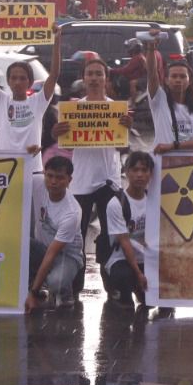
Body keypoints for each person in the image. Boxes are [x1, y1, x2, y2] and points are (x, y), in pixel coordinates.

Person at [52, 52, 133, 294]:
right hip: (81, 181)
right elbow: (65, 144)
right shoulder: (73, 108)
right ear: (83, 78)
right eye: (91, 74)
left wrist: (127, 129)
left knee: (111, 235)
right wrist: (57, 132)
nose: (95, 78)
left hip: (109, 180)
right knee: (76, 235)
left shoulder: (117, 110)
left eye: (99, 74)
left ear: (106, 79)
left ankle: (113, 285)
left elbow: (123, 147)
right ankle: (74, 286)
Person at [0, 40, 58, 214]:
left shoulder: (38, 102)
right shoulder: (1, 101)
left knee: (31, 223)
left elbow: (53, 75)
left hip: (33, 172)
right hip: (5, 171)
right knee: (5, 218)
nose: (17, 82)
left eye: (22, 78)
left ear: (30, 82)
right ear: (8, 81)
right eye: (14, 78)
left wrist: (56, 41)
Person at [25, 155, 84, 313]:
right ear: (44, 174)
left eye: (60, 178)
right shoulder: (37, 182)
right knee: (20, 243)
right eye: (49, 176)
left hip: (66, 255)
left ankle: (64, 294)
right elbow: (11, 175)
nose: (53, 181)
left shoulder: (72, 212)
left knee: (56, 282)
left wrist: (33, 293)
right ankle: (32, 285)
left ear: (69, 180)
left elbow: (52, 253)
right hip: (42, 247)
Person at [103, 150, 153, 311]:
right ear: (126, 173)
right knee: (124, 289)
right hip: (122, 258)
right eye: (135, 170)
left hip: (147, 259)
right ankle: (115, 287)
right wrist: (139, 274)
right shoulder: (116, 203)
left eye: (144, 170)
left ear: (150, 174)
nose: (139, 175)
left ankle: (141, 291)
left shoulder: (154, 200)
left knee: (153, 302)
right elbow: (124, 243)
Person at [148, 39, 193, 155]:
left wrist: (173, 146)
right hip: (161, 163)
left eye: (182, 76)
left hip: (187, 165)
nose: (178, 80)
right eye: (174, 76)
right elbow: (152, 74)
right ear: (166, 80)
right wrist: (151, 49)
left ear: (190, 80)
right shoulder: (159, 100)